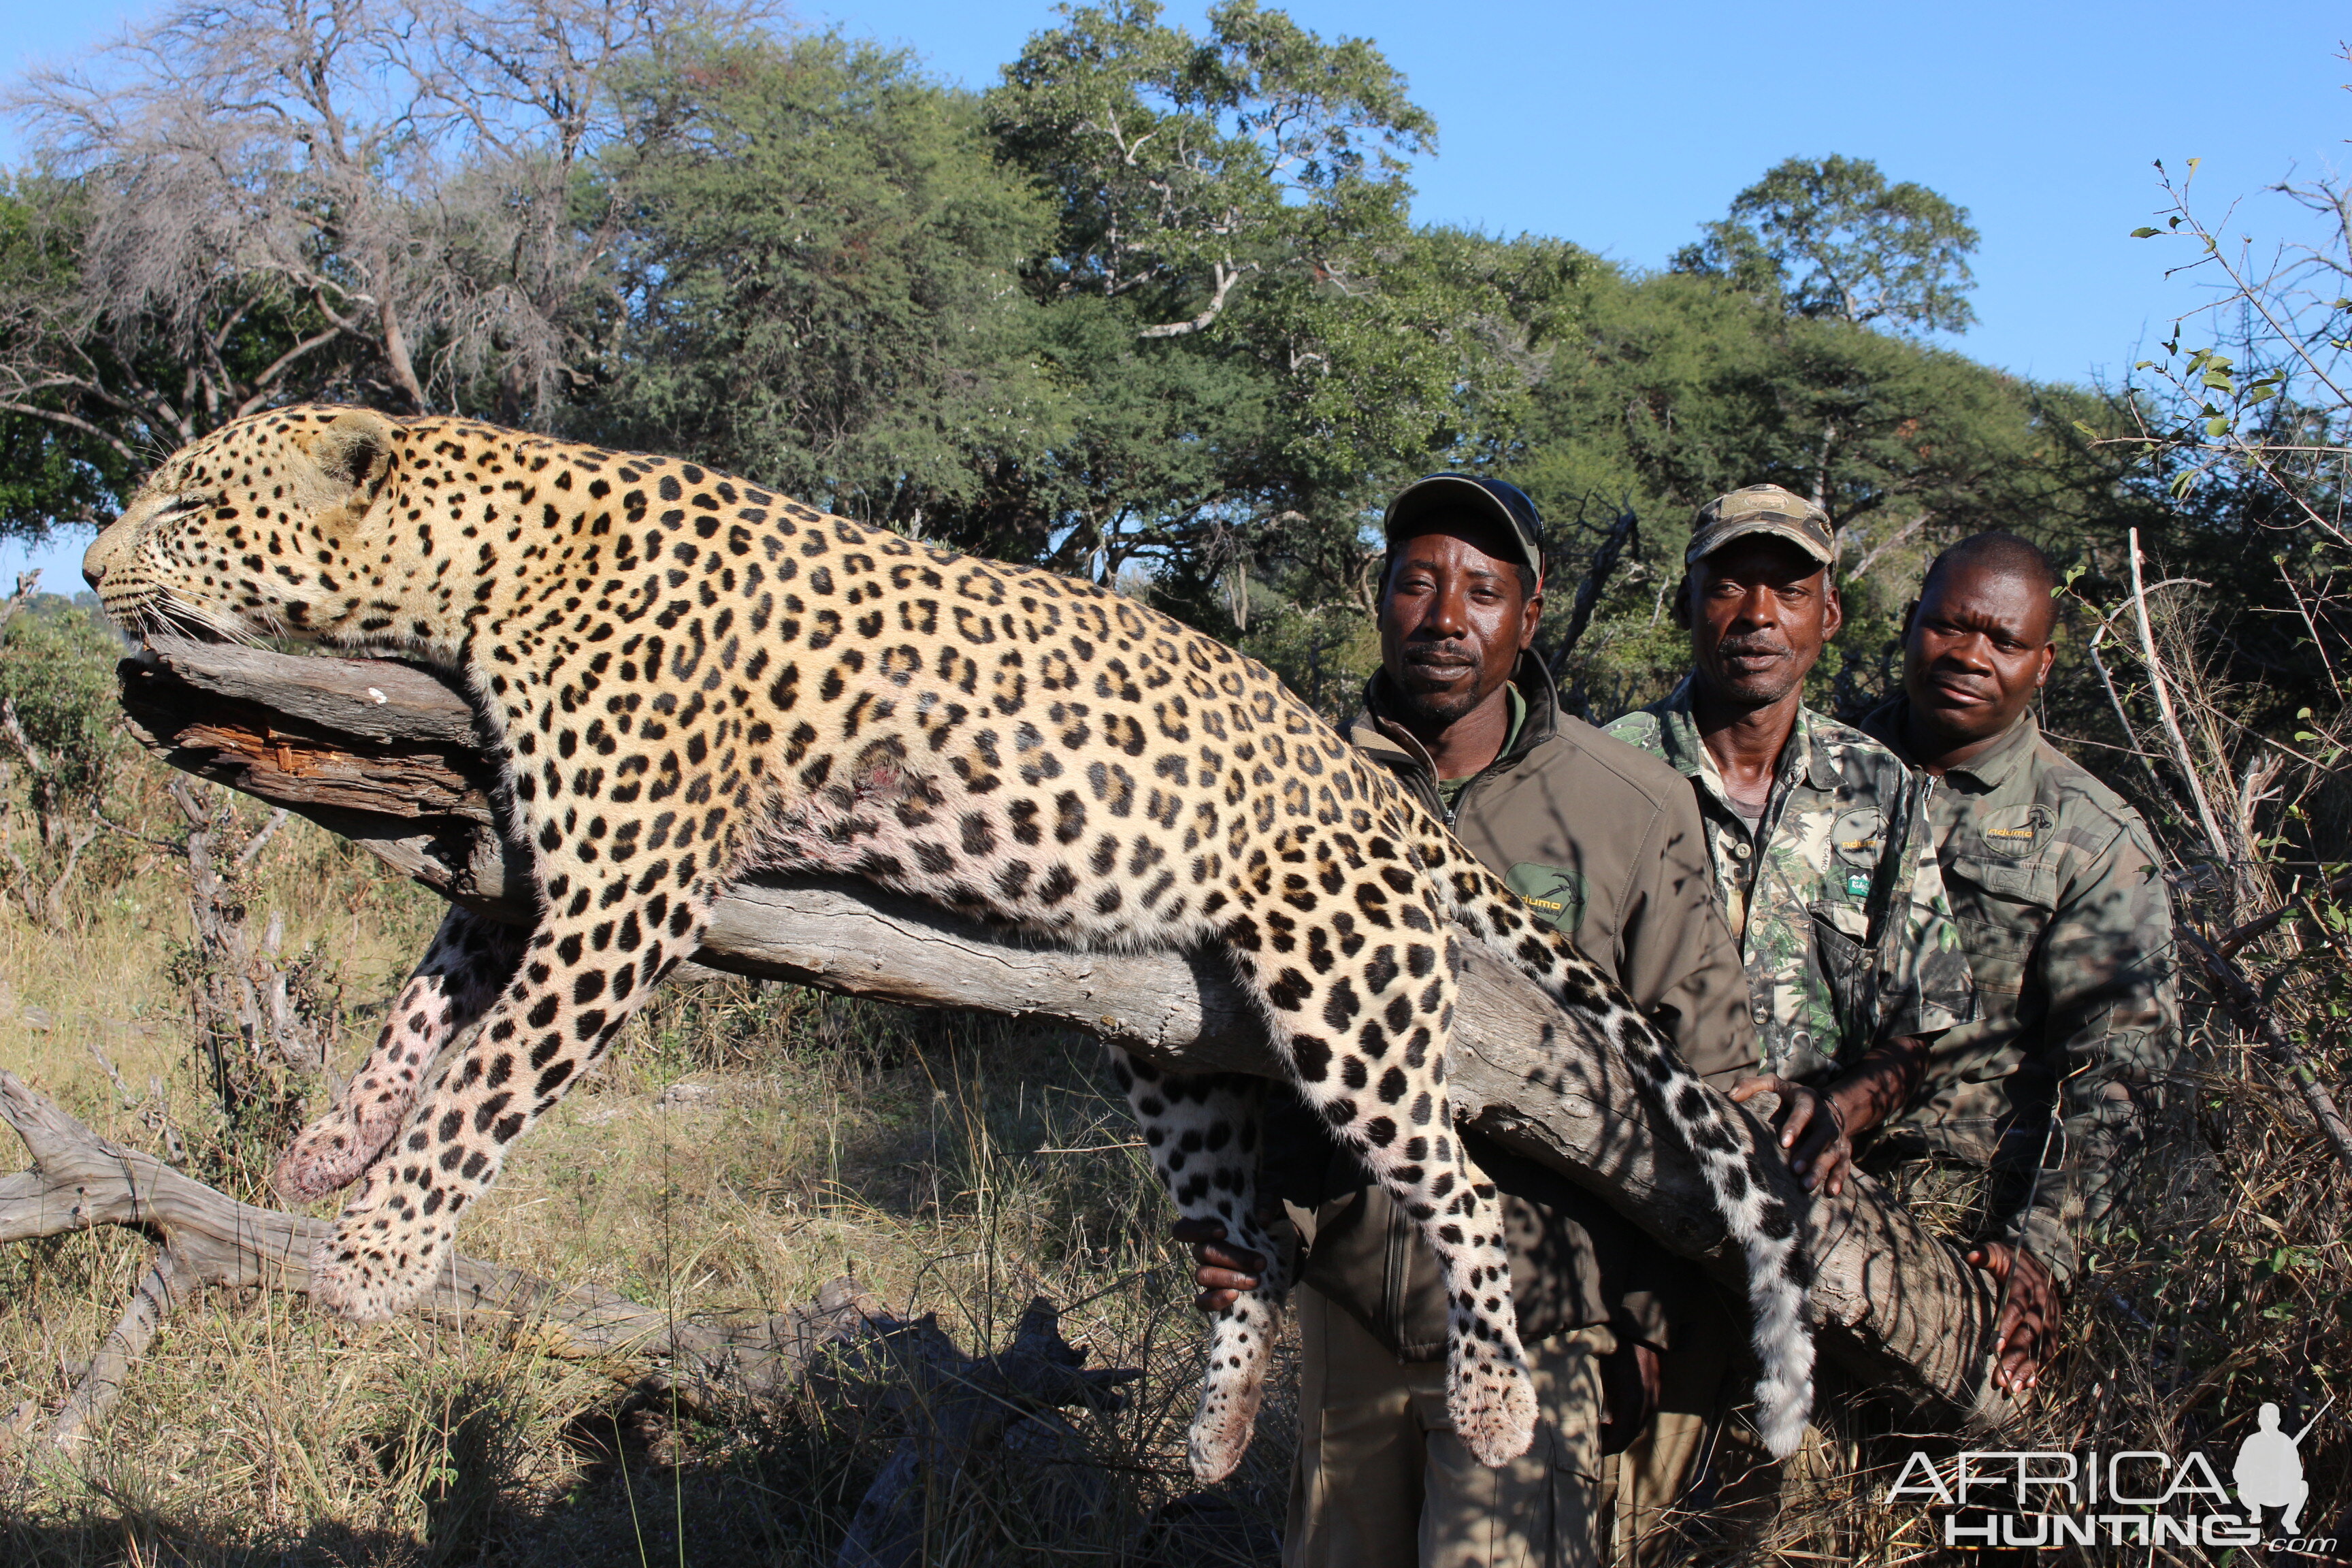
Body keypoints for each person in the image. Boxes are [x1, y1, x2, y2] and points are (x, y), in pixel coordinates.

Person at [1179, 473, 1759, 1568]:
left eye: (1483, 592)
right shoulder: (1275, 773)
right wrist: (1247, 1228)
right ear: (1379, 598)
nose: (1446, 619)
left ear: (1529, 618)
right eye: (1417, 584)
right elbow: (1224, 1039)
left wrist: (1640, 1317)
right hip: (1347, 1317)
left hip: (1542, 1327)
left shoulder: (1628, 802)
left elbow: (1707, 1079)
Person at [1602, 483, 1973, 1546]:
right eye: (1730, 586)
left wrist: (1846, 1107)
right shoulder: (1606, 769)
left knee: (1780, 1535)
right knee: (1618, 1530)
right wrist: (1603, 1299)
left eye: (1789, 590)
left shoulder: (1883, 791)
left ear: (1830, 617)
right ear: (1689, 602)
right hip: (1643, 1231)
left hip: (1819, 1252)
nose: (1758, 615)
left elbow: (1921, 1020)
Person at [1857, 531, 2176, 1396]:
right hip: (1775, 1156)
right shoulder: (1814, 766)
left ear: (2043, 662)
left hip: (1947, 1215)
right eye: (1949, 627)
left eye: (2004, 641)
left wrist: (2039, 1253)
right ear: (1910, 624)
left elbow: (2115, 1067)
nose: (1970, 655)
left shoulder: (2092, 836)